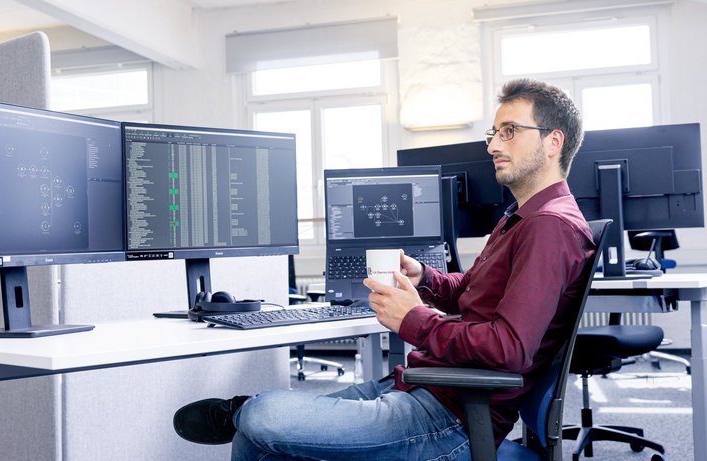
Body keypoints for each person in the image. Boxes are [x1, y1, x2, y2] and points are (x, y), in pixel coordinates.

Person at [173, 78, 596, 461]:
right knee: (256, 436)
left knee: (262, 414)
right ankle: (243, 414)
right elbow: (471, 291)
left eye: (509, 131)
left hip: (452, 420)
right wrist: (425, 278)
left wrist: (415, 320)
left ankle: (240, 411)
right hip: (424, 386)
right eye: (494, 133)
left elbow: (509, 348)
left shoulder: (549, 227)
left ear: (553, 142)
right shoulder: (520, 217)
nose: (492, 146)